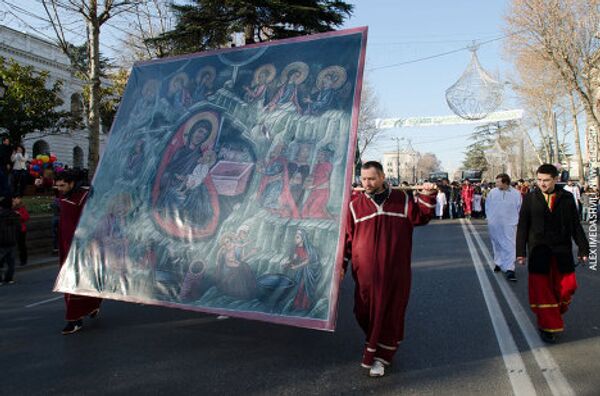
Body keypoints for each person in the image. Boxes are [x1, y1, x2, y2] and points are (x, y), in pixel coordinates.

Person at [343, 161, 436, 377]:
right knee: (363, 311)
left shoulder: (401, 200)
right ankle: (381, 341)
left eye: (371, 179)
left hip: (395, 272)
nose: (366, 183)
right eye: (363, 179)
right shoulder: (354, 206)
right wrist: (341, 266)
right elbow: (347, 239)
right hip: (364, 275)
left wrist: (426, 194)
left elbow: (422, 216)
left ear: (383, 177)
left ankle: (379, 356)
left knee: (389, 312)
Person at [516, 164, 588, 343]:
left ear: (556, 179)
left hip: (562, 252)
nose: (542, 183)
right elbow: (523, 227)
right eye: (539, 180)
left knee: (567, 287)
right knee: (543, 292)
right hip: (538, 253)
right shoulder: (530, 198)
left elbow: (575, 226)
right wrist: (520, 252)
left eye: (546, 180)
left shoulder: (567, 198)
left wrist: (583, 248)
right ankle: (547, 327)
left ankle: (554, 312)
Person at [55, 171, 102, 335]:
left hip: (82, 247)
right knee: (72, 281)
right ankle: (90, 306)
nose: (59, 189)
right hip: (65, 245)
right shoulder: (64, 196)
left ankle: (74, 319)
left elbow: (93, 219)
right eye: (57, 185)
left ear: (71, 183)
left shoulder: (84, 197)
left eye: (62, 185)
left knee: (76, 281)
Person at [485, 174, 522, 281]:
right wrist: (490, 218)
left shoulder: (516, 194)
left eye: (498, 182)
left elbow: (519, 207)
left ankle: (510, 268)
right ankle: (499, 262)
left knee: (510, 244)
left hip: (510, 223)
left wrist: (518, 221)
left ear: (505, 182)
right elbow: (487, 206)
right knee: (496, 243)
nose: (496, 184)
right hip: (495, 223)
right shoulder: (493, 192)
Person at [0, 195, 19, 285]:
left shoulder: (1, 215)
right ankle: (9, 278)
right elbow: (18, 227)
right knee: (11, 262)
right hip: (12, 240)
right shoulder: (14, 214)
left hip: (2, 241)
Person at [12, 196, 29, 267]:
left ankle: (23, 260)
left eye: (18, 198)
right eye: (15, 198)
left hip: (21, 229)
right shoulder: (10, 208)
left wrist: (19, 215)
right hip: (12, 229)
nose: (16, 200)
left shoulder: (22, 208)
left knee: (21, 245)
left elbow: (26, 217)